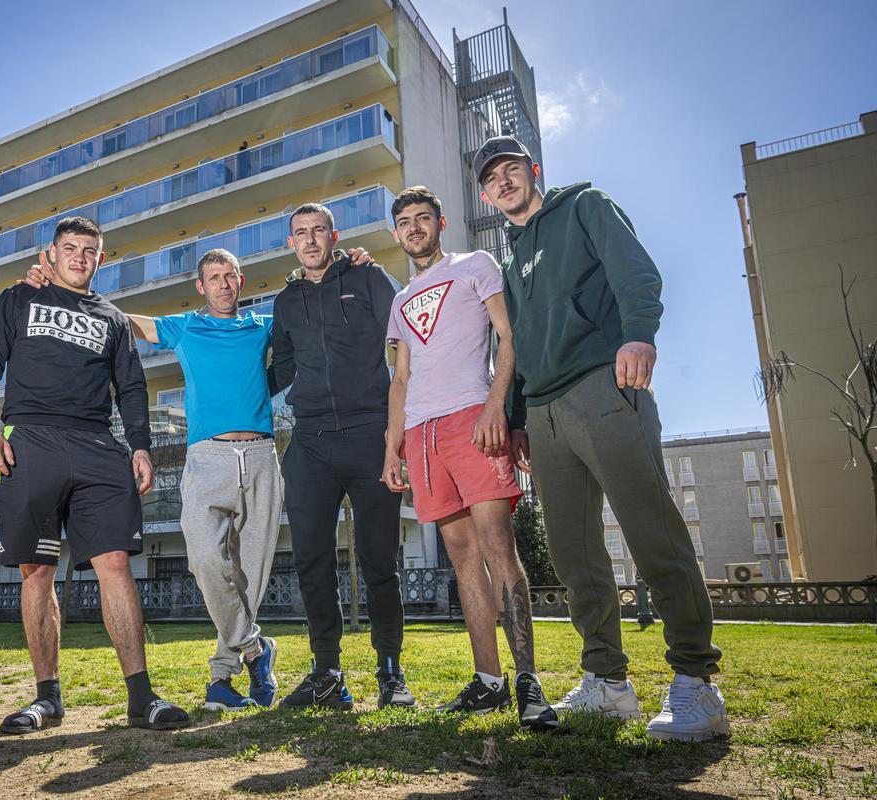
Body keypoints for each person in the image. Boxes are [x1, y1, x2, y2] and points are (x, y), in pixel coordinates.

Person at [475, 135, 728, 741]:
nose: (504, 183)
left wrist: (639, 333)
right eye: (492, 179)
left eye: (512, 170)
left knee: (651, 532)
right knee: (574, 555)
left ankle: (697, 683)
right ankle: (608, 684)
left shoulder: (585, 206)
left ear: (533, 171)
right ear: (485, 196)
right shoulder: (508, 255)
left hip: (603, 384)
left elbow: (635, 270)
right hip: (544, 411)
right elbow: (515, 345)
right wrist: (514, 419)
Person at [26, 247, 282, 712]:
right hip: (207, 457)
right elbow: (125, 322)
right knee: (206, 561)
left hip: (263, 456)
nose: (224, 283)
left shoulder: (262, 326)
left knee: (249, 578)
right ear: (200, 287)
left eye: (231, 275)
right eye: (214, 277)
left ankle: (223, 679)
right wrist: (67, 292)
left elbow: (309, 325)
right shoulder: (185, 326)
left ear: (241, 282)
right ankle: (255, 648)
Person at [0, 215, 190, 733]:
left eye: (89, 250)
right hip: (30, 441)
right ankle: (47, 698)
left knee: (115, 560)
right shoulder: (19, 299)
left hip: (96, 444)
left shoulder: (112, 317)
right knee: (37, 571)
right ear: (51, 252)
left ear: (101, 258)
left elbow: (132, 388)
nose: (79, 257)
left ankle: (142, 697)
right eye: (70, 248)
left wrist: (140, 446)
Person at [381, 186, 558, 730]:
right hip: (422, 435)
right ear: (396, 234)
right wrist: (394, 444)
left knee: (498, 545)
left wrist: (495, 407)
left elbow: (509, 337)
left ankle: (528, 682)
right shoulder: (400, 298)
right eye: (405, 222)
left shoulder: (475, 265)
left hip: (472, 420)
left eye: (422, 219)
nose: (414, 228)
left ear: (442, 223)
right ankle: (489, 681)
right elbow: (401, 377)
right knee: (461, 559)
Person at [268, 202, 415, 710]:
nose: (309, 240)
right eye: (299, 232)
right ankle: (327, 672)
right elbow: (280, 368)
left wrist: (401, 432)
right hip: (309, 440)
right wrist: (226, 396)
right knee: (311, 558)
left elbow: (406, 345)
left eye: (317, 231)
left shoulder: (369, 278)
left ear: (334, 234)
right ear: (291, 242)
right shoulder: (284, 301)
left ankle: (390, 673)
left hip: (370, 432)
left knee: (379, 560)